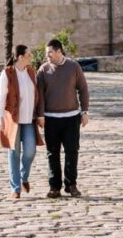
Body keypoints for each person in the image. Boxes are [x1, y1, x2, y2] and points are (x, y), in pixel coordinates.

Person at [36, 37, 89, 199]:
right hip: (51, 118)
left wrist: (84, 111)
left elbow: (83, 89)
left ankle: (71, 185)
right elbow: (39, 95)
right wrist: (40, 115)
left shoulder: (73, 66)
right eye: (47, 53)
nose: (47, 56)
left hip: (71, 118)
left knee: (72, 152)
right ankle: (54, 187)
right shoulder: (43, 70)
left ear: (59, 51)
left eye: (50, 53)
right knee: (52, 153)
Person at [0, 44, 43, 199]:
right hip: (13, 120)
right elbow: (0, 97)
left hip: (29, 119)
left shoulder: (31, 72)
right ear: (21, 57)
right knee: (14, 153)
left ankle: (24, 177)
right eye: (29, 55)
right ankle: (15, 188)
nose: (31, 57)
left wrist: (39, 115)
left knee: (30, 151)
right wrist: (0, 118)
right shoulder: (7, 73)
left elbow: (37, 95)